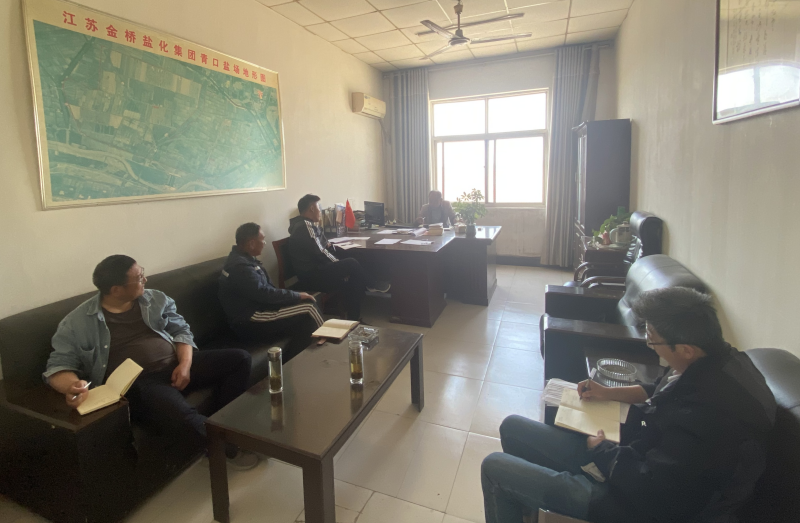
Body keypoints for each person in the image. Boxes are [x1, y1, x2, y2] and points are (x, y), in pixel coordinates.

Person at [481, 287, 776, 523]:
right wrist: (607, 392)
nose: (649, 346)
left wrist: (602, 451)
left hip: (635, 503)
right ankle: (525, 505)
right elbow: (659, 390)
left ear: (686, 349)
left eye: (653, 341)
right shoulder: (714, 360)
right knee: (512, 427)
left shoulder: (710, 417)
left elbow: (654, 490)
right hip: (632, 455)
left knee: (494, 468)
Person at [44, 255, 258, 469]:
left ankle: (225, 423)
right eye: (139, 278)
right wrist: (72, 386)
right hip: (142, 382)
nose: (145, 280)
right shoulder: (77, 322)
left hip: (176, 363)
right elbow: (58, 366)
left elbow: (181, 331)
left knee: (239, 359)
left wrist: (184, 365)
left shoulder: (155, 299)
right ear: (116, 290)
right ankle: (228, 449)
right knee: (181, 415)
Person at [219, 222, 324, 361]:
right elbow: (264, 293)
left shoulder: (245, 259)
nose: (264, 243)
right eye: (262, 239)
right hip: (250, 320)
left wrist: (293, 298)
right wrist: (296, 296)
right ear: (251, 243)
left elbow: (267, 291)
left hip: (259, 310)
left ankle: (298, 362)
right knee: (309, 307)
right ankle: (328, 341)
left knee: (305, 320)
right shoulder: (240, 267)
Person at [287, 194, 389, 321]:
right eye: (318, 207)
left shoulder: (309, 225)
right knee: (351, 263)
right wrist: (339, 265)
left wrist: (338, 263)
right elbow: (321, 252)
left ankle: (354, 320)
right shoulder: (305, 226)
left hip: (318, 269)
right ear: (312, 208)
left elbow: (326, 244)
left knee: (354, 274)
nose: (320, 211)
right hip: (311, 276)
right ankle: (372, 284)